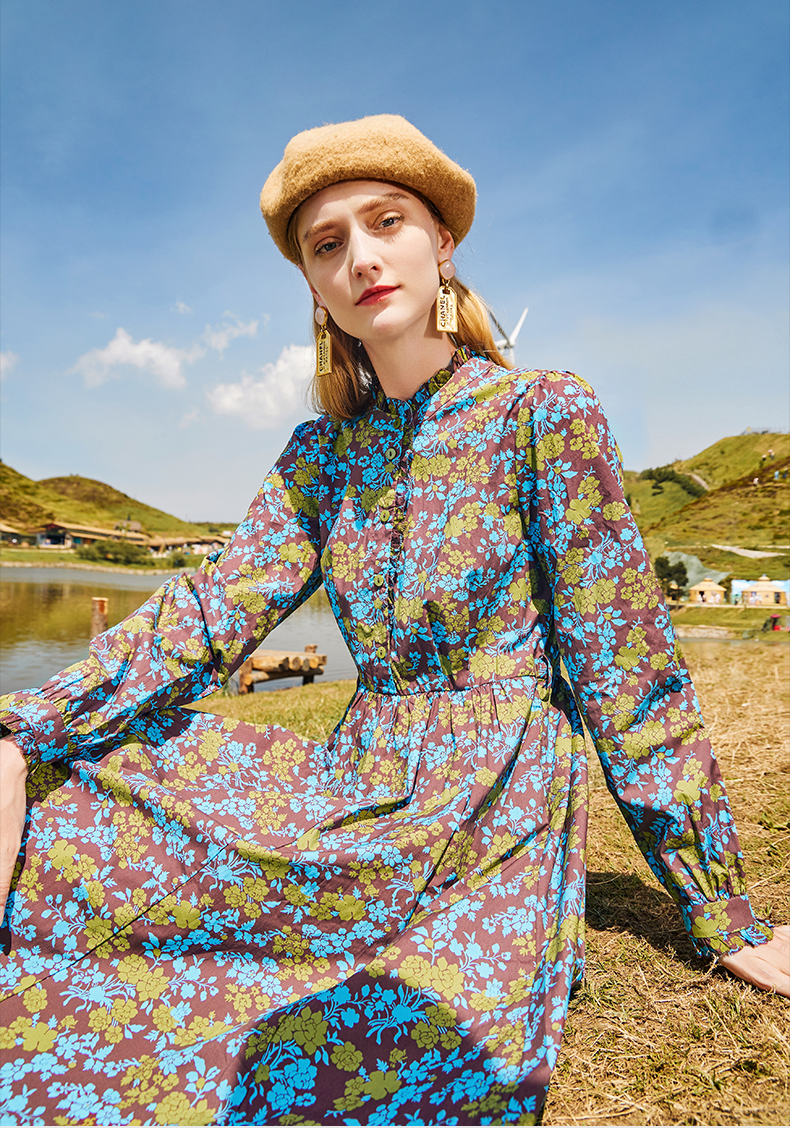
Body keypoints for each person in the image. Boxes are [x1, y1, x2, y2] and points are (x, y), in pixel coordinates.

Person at [0, 115, 787, 1127]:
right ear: (314, 286)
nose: (361, 258)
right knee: (80, 786)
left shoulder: (543, 413)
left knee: (375, 1033)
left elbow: (624, 668)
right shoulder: (320, 456)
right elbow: (211, 609)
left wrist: (719, 906)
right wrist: (30, 724)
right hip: (352, 773)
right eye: (327, 244)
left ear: (441, 242)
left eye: (386, 222)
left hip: (488, 798)